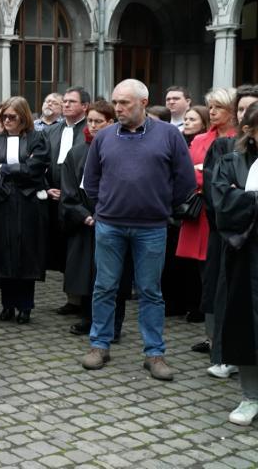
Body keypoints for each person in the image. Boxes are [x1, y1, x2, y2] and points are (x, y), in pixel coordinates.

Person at [80, 79, 195, 380]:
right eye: (116, 102)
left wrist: (158, 206)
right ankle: (99, 345)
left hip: (152, 228)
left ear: (143, 103)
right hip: (110, 225)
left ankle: (154, 353)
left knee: (150, 291)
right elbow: (91, 182)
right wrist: (106, 206)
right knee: (104, 286)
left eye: (125, 103)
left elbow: (184, 181)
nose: (118, 108)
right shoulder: (105, 138)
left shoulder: (169, 135)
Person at [61, 101, 132, 339]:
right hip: (86, 221)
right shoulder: (77, 152)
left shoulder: (122, 149)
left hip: (114, 219)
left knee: (115, 276)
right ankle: (88, 318)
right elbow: (69, 190)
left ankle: (115, 324)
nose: (92, 126)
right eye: (90, 121)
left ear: (110, 123)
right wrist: (84, 215)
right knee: (88, 274)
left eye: (98, 122)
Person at [181, 88, 237, 378]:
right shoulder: (202, 139)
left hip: (226, 215)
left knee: (225, 277)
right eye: (210, 107)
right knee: (207, 275)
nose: (212, 112)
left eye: (219, 107)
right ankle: (212, 338)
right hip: (201, 212)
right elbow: (189, 172)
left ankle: (227, 342)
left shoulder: (238, 140)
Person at [210, 102, 258, 426]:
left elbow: (237, 197)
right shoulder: (231, 161)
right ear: (249, 131)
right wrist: (248, 198)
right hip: (247, 259)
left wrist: (247, 196)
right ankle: (251, 396)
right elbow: (223, 206)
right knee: (247, 328)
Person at [0, 97, 49, 325]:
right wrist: (18, 169)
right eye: (3, 116)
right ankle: (7, 305)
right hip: (3, 201)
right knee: (4, 253)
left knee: (26, 254)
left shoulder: (37, 138)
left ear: (24, 117)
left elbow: (36, 167)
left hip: (28, 203)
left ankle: (25, 306)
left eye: (12, 117)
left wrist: (6, 168)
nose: (7, 120)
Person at [46, 87, 90, 313]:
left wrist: (70, 192)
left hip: (78, 199)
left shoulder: (88, 129)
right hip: (54, 196)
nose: (66, 105)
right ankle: (71, 298)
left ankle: (82, 299)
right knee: (61, 249)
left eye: (72, 102)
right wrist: (47, 188)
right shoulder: (54, 130)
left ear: (84, 106)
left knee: (77, 252)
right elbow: (43, 160)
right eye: (65, 101)